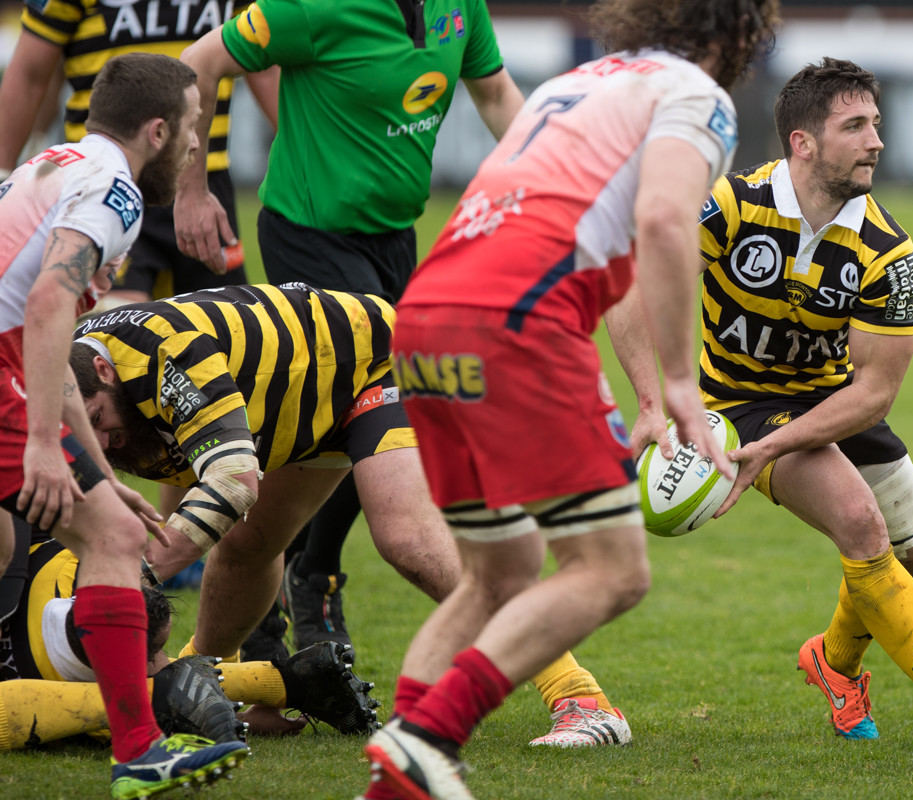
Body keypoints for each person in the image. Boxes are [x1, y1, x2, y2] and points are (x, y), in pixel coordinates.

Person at [364, 1, 780, 798]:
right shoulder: (695, 94)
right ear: (734, 35)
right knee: (613, 569)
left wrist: (649, 403)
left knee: (501, 572)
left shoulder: (577, 83)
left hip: (424, 318)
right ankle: (427, 734)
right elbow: (662, 221)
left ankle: (395, 780)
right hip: (514, 324)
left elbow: (610, 252)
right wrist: (685, 385)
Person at [70, 283, 636, 748]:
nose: (97, 438)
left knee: (409, 540)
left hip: (372, 362)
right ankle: (216, 689)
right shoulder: (57, 389)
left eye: (97, 417)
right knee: (247, 547)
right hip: (289, 408)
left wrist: (125, 580)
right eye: (80, 428)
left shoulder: (168, 358)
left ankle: (582, 699)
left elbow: (231, 481)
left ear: (106, 369)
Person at [174, 0, 526, 658]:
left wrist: (560, 180)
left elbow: (499, 94)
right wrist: (192, 189)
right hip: (309, 235)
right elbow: (200, 61)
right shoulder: (314, 5)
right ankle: (305, 585)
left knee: (361, 417)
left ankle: (294, 585)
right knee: (368, 412)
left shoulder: (461, 7)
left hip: (394, 241)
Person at [689, 57, 913, 759]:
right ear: (802, 142)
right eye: (854, 126)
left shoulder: (888, 250)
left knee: (911, 554)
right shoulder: (730, 206)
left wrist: (794, 436)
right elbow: (649, 277)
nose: (876, 141)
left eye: (876, 124)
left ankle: (833, 662)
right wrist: (665, 395)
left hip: (836, 400)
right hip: (742, 402)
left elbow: (876, 391)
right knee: (861, 526)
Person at [0, 51, 248, 798]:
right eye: (195, 126)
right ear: (159, 129)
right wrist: (45, 443)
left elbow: (55, 341)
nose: (198, 144)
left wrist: (103, 476)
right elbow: (47, 307)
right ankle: (139, 750)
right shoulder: (115, 191)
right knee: (112, 540)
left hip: (13, 362)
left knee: (35, 537)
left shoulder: (54, 164)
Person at [0, 0, 277, 306]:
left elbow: (261, 65)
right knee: (113, 328)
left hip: (205, 179)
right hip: (105, 178)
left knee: (221, 325)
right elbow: (29, 74)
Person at [0, 530, 382, 749]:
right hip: (61, 571)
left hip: (42, 654)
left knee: (150, 690)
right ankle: (287, 679)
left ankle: (169, 694)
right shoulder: (78, 553)